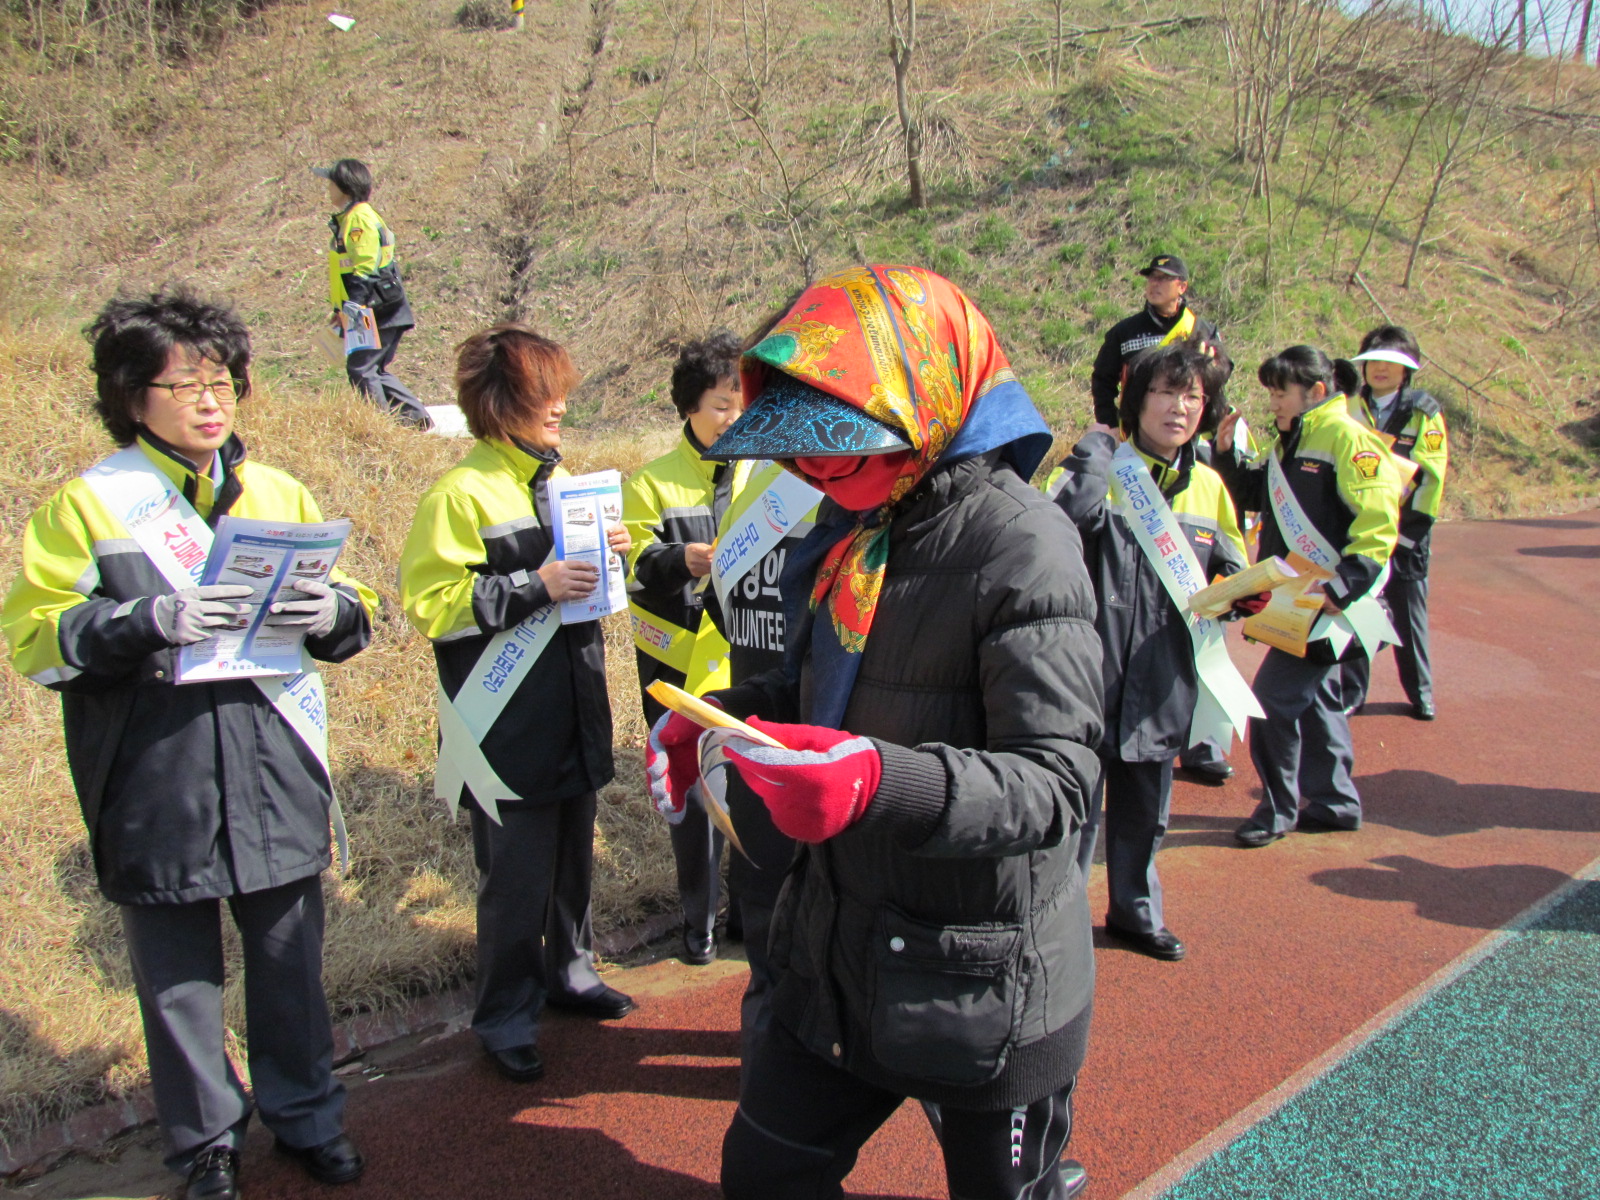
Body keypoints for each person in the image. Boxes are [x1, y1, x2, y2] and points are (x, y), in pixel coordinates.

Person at [647, 265, 1101, 1200]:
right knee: (764, 1175)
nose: (817, 471)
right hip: (837, 948)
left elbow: (1057, 783)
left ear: (927, 403)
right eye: (803, 449)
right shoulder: (849, 528)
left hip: (984, 974)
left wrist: (873, 779)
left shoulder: (1024, 544)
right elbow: (808, 688)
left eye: (843, 446)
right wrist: (717, 724)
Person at [2, 286, 379, 1200]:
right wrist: (147, 620)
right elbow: (36, 640)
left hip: (275, 761)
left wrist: (329, 610)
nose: (212, 402)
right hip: (155, 773)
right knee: (178, 984)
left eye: (224, 383)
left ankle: (307, 1116)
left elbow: (357, 608)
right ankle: (206, 1141)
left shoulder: (279, 491)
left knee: (290, 963)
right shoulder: (87, 507)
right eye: (185, 386)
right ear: (132, 397)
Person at [399, 324, 635, 1088]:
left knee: (572, 862)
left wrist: (612, 554)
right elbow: (432, 605)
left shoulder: (568, 484)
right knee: (514, 881)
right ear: (501, 403)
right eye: (543, 394)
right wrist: (537, 585)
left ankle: (572, 972)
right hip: (504, 726)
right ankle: (504, 1015)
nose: (559, 406)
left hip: (574, 705)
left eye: (560, 391)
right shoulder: (459, 494)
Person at [1052, 341, 1257, 961]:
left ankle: (1135, 913)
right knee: (1072, 815)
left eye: (1192, 396)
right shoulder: (1097, 472)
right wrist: (1094, 457)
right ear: (1137, 401)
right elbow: (1054, 529)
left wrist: (1242, 595)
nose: (1179, 408)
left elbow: (1231, 568)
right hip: (1088, 675)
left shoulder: (1212, 488)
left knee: (1146, 812)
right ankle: (1056, 923)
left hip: (1163, 676)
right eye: (1165, 392)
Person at [1213, 346, 1402, 847]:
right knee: (1317, 699)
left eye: (1281, 393)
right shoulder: (1291, 442)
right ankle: (1336, 802)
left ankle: (1277, 808)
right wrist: (1227, 457)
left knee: (1273, 701)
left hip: (1327, 602)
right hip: (1297, 598)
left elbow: (1378, 521)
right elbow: (1258, 497)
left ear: (1316, 391)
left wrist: (1344, 586)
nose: (1273, 402)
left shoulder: (1347, 439)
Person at [622, 332, 751, 966]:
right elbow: (631, 567)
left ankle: (749, 918)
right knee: (694, 799)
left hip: (748, 663)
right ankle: (697, 927)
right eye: (721, 405)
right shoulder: (652, 484)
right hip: (677, 668)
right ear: (689, 406)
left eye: (741, 404)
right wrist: (681, 559)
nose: (733, 418)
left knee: (753, 788)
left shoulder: (765, 475)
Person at [703, 451, 821, 1057]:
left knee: (767, 933)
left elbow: (717, 604)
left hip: (754, 741)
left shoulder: (753, 485)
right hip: (819, 755)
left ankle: (765, 1056)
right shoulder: (849, 490)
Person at [1338, 326, 1448, 721]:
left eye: (1390, 362)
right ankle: (1352, 693)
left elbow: (1431, 474)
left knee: (1408, 613)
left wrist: (1408, 530)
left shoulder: (1424, 412)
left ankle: (1421, 694)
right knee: (1357, 609)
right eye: (1373, 360)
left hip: (1405, 533)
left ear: (1407, 370)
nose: (1380, 368)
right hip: (1361, 529)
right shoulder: (1347, 407)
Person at [313, 158, 430, 428]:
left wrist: (352, 307)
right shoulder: (352, 217)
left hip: (375, 306)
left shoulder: (359, 219)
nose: (328, 189)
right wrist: (341, 308)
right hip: (375, 305)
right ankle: (416, 420)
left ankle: (381, 428)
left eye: (331, 183)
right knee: (372, 368)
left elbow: (365, 267)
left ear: (344, 187)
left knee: (362, 368)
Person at [1089, 253, 1222, 427]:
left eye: (1164, 278)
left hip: (1189, 428)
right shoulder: (1125, 332)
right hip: (1138, 432)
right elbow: (1102, 381)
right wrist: (1109, 423)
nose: (1154, 283)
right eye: (1151, 277)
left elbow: (1221, 377)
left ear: (1182, 287)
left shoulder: (1202, 331)